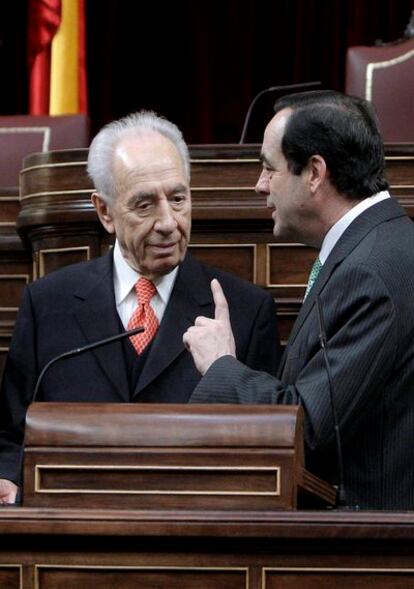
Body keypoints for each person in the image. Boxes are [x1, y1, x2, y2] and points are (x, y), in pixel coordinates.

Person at [0, 111, 281, 504]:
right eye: (145, 205)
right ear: (105, 212)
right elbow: (12, 435)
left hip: (194, 542)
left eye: (178, 199)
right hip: (70, 537)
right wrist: (8, 479)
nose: (168, 222)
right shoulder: (49, 303)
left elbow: (268, 453)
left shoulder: (246, 312)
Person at [184, 90, 414, 510]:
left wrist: (221, 365)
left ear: (314, 172)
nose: (259, 186)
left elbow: (304, 428)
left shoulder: (372, 269)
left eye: (269, 170)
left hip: (368, 555)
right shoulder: (375, 248)